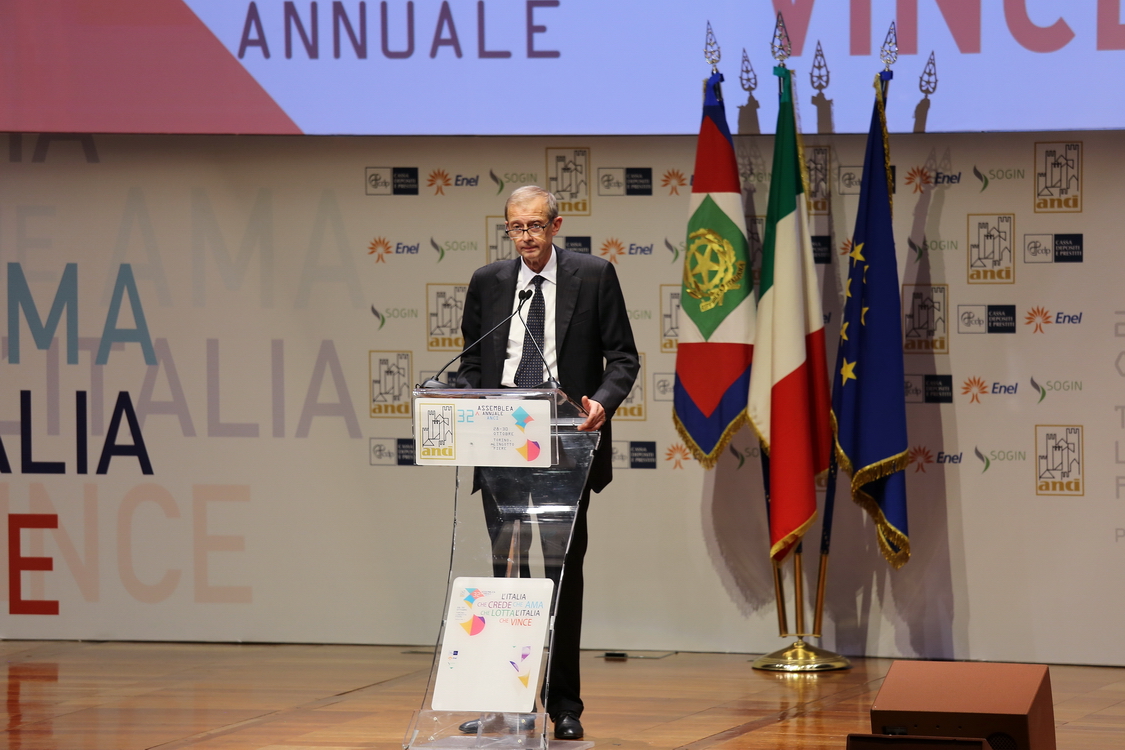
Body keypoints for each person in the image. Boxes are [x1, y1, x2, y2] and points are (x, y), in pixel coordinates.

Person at [456, 185, 639, 740]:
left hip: (566, 444)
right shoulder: (489, 283)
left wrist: (602, 403)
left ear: (556, 226)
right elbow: (470, 361)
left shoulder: (595, 274)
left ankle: (564, 706)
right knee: (506, 575)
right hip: (499, 445)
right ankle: (506, 701)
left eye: (536, 226)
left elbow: (624, 357)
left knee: (561, 576)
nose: (527, 237)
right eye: (517, 227)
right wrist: (466, 397)